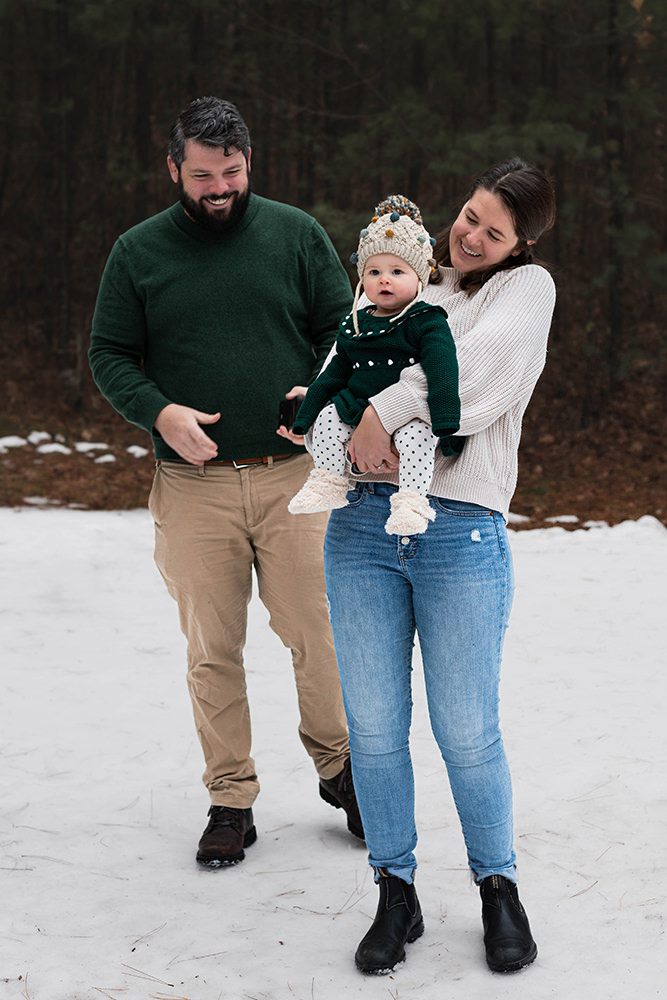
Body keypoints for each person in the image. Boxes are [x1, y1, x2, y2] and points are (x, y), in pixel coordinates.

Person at [278, 157, 556, 974]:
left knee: (465, 730)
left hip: (458, 530)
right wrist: (314, 409)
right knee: (371, 729)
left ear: (522, 242)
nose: (469, 235)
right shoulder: (404, 284)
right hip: (361, 526)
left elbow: (468, 383)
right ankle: (393, 890)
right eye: (468, 214)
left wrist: (377, 406)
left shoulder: (523, 293)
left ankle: (496, 886)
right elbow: (345, 363)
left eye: (492, 230)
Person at [88, 96, 364, 869]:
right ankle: (230, 797)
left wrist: (319, 396)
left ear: (250, 164)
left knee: (318, 634)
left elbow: (340, 329)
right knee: (213, 648)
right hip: (193, 487)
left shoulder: (295, 233)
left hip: (296, 478)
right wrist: (157, 410)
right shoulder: (138, 252)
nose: (218, 188)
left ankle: (341, 773)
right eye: (202, 174)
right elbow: (109, 352)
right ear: (173, 168)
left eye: (231, 173)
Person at [287, 195, 461, 536]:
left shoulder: (426, 320)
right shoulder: (354, 324)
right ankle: (329, 480)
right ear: (362, 277)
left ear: (420, 277)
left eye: (397, 272)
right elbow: (333, 374)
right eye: (374, 271)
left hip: (407, 413)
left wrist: (447, 426)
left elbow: (443, 373)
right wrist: (304, 419)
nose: (385, 280)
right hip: (356, 404)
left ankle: (411, 502)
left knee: (416, 438)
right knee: (327, 420)